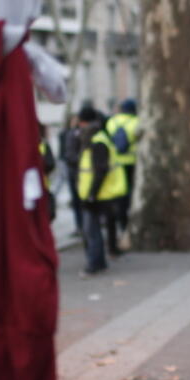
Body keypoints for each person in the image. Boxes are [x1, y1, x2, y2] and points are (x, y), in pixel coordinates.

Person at [76, 107, 126, 276]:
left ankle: (94, 264)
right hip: (99, 192)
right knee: (94, 229)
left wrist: (91, 193)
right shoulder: (99, 138)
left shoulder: (97, 141)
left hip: (98, 194)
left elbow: (100, 169)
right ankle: (100, 262)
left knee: (91, 231)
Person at [105, 98, 138, 244]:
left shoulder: (112, 122)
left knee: (120, 198)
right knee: (131, 196)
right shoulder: (137, 122)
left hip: (116, 165)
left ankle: (122, 225)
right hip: (132, 163)